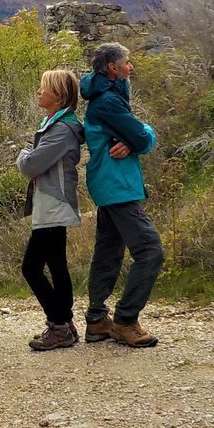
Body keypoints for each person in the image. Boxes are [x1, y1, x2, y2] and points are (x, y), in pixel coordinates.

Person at [79, 43, 164, 348]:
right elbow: (143, 136)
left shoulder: (107, 97)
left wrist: (132, 140)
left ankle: (97, 321)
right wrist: (140, 136)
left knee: (108, 253)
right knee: (150, 250)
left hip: (109, 183)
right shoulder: (108, 103)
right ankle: (126, 321)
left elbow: (134, 138)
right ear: (113, 68)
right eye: (127, 63)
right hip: (117, 186)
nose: (132, 68)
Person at [16, 69, 85, 351]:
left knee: (31, 267)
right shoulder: (57, 124)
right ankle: (65, 325)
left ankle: (58, 325)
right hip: (53, 203)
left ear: (57, 96)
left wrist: (21, 154)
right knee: (56, 266)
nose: (38, 92)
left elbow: (31, 164)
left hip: (53, 205)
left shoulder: (60, 130)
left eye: (43, 88)